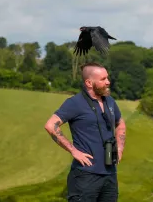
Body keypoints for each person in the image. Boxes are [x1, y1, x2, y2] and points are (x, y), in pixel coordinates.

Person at [44, 61, 126, 201]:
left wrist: (119, 147)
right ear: (89, 83)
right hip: (85, 176)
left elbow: (120, 124)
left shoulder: (110, 101)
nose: (108, 82)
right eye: (103, 79)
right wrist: (73, 150)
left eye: (107, 78)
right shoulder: (75, 103)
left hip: (110, 174)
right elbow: (51, 125)